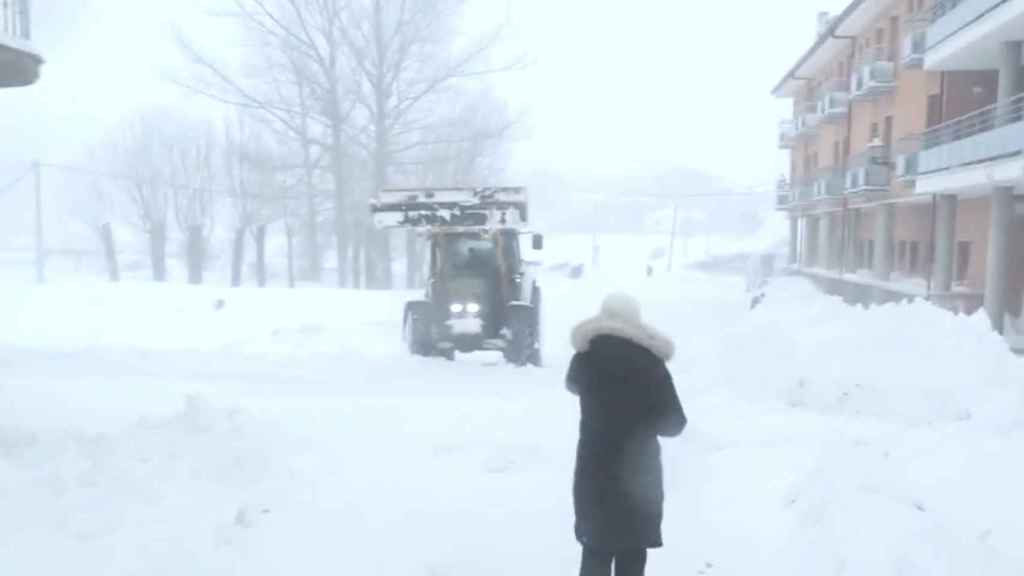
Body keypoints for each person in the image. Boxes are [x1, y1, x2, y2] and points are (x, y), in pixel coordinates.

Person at [566, 293, 687, 576]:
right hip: (638, 477)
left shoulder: (585, 358)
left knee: (594, 553)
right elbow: (674, 423)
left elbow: (572, 385)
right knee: (631, 556)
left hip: (593, 472)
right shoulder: (650, 364)